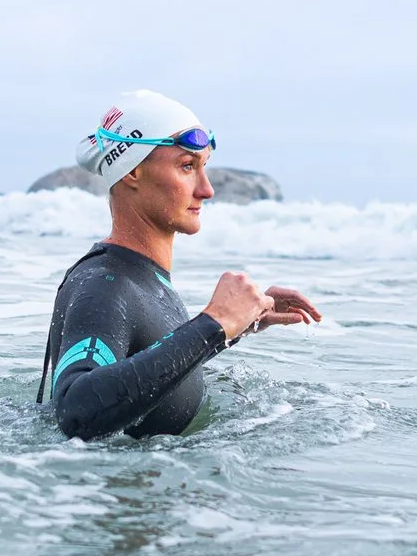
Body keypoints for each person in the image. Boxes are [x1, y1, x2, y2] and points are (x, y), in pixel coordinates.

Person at [38, 91, 323, 440]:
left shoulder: (141, 278)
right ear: (132, 172)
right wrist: (212, 325)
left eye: (204, 168)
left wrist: (234, 325)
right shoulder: (105, 285)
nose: (207, 190)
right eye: (187, 166)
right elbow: (75, 410)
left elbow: (146, 369)